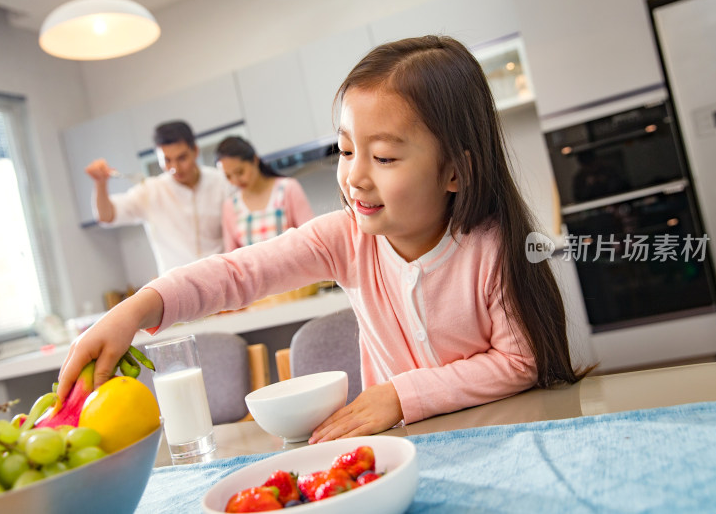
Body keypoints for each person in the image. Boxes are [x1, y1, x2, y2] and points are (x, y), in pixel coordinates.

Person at [60, 35, 587, 442]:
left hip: (511, 440)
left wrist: (400, 396)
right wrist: (135, 309)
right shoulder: (344, 240)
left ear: (455, 171)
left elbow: (522, 362)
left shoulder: (492, 247)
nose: (355, 176)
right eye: (345, 149)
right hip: (410, 454)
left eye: (382, 157)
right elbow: (237, 274)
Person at [85, 121, 229, 275]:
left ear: (195, 151)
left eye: (181, 158)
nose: (175, 168)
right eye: (166, 160)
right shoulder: (150, 191)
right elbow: (106, 216)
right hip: (177, 287)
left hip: (220, 278)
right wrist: (100, 184)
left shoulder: (222, 181)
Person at [215, 136, 314, 251]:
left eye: (240, 172)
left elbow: (309, 237)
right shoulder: (230, 206)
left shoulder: (288, 188)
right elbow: (232, 256)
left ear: (255, 160)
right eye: (228, 176)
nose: (236, 180)